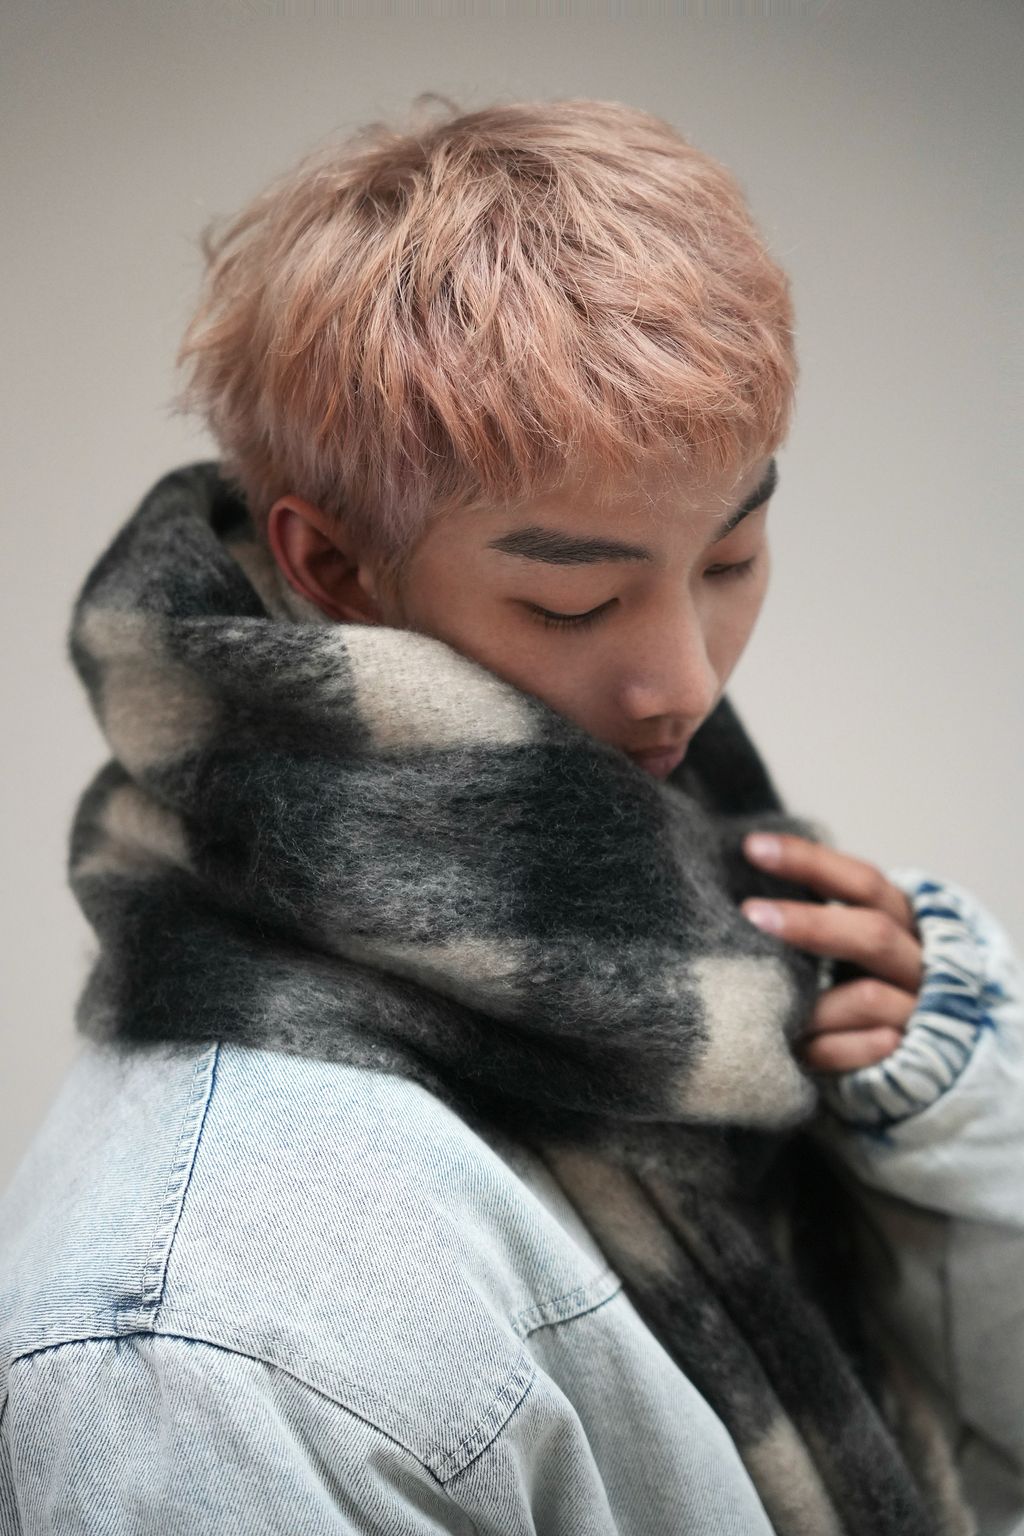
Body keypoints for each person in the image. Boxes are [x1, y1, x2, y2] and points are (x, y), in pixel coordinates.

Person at [1, 95, 1021, 1536]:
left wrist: (958, 1125)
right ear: (334, 568)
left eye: (731, 556)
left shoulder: (742, 952)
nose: (686, 682)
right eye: (576, 601)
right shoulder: (211, 1342)